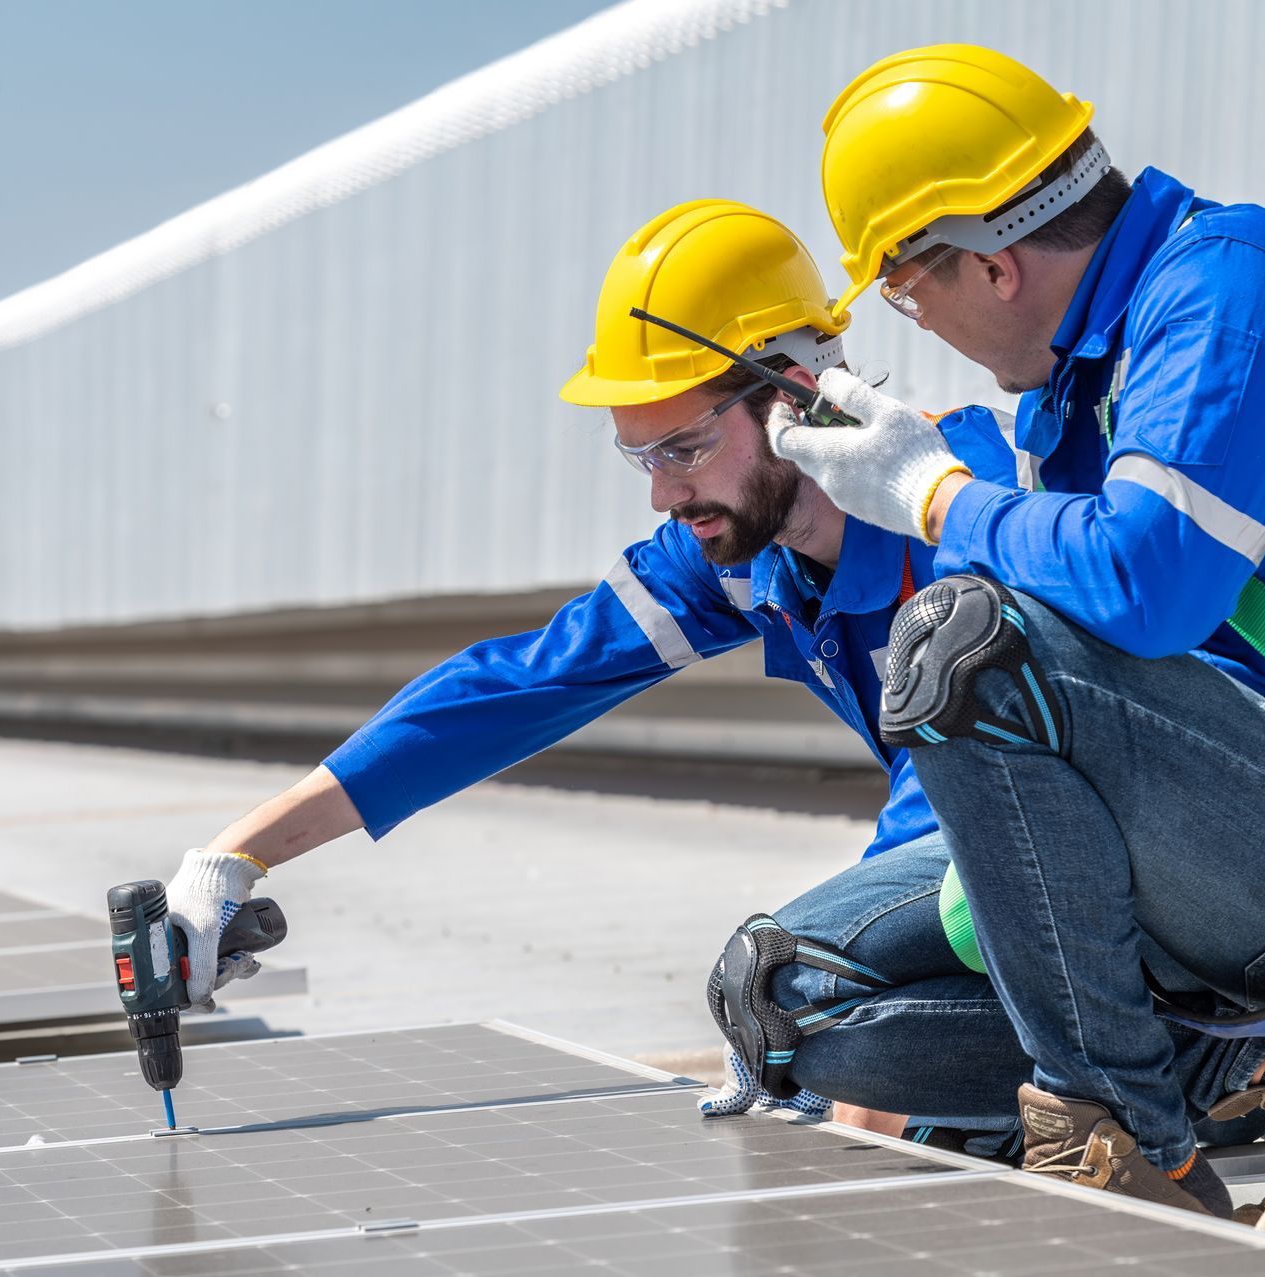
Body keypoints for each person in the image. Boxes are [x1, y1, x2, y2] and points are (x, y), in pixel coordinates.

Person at [748, 43, 1265, 1230]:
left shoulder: (1235, 285)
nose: (926, 330)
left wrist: (935, 495)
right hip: (1241, 830)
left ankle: (1129, 1140)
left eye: (907, 295)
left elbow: (1149, 587)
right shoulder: (1073, 392)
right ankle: (1252, 1060)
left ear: (991, 266)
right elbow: (1049, 700)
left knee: (963, 638)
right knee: (787, 990)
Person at [161, 198, 1015, 1133]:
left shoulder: (957, 497)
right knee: (820, 1018)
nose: (664, 490)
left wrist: (801, 970)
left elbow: (957, 787)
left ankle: (1167, 1069)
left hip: (1136, 861)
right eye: (638, 454)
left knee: (816, 1017)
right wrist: (236, 854)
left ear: (796, 394)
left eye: (685, 447)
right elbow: (511, 688)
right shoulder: (742, 553)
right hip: (1004, 875)